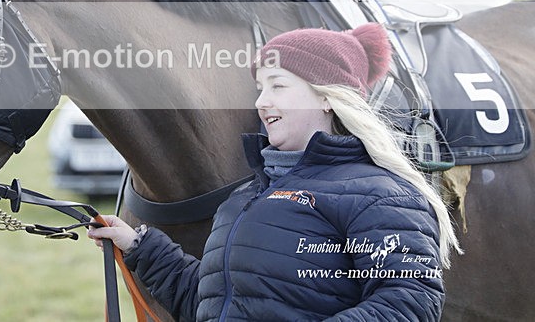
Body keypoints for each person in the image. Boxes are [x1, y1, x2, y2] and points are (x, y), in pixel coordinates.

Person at [88, 23, 462, 321]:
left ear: (328, 96)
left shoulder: (380, 194)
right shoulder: (244, 199)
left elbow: (410, 302)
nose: (262, 101)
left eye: (278, 86)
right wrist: (139, 245)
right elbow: (210, 304)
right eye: (260, 88)